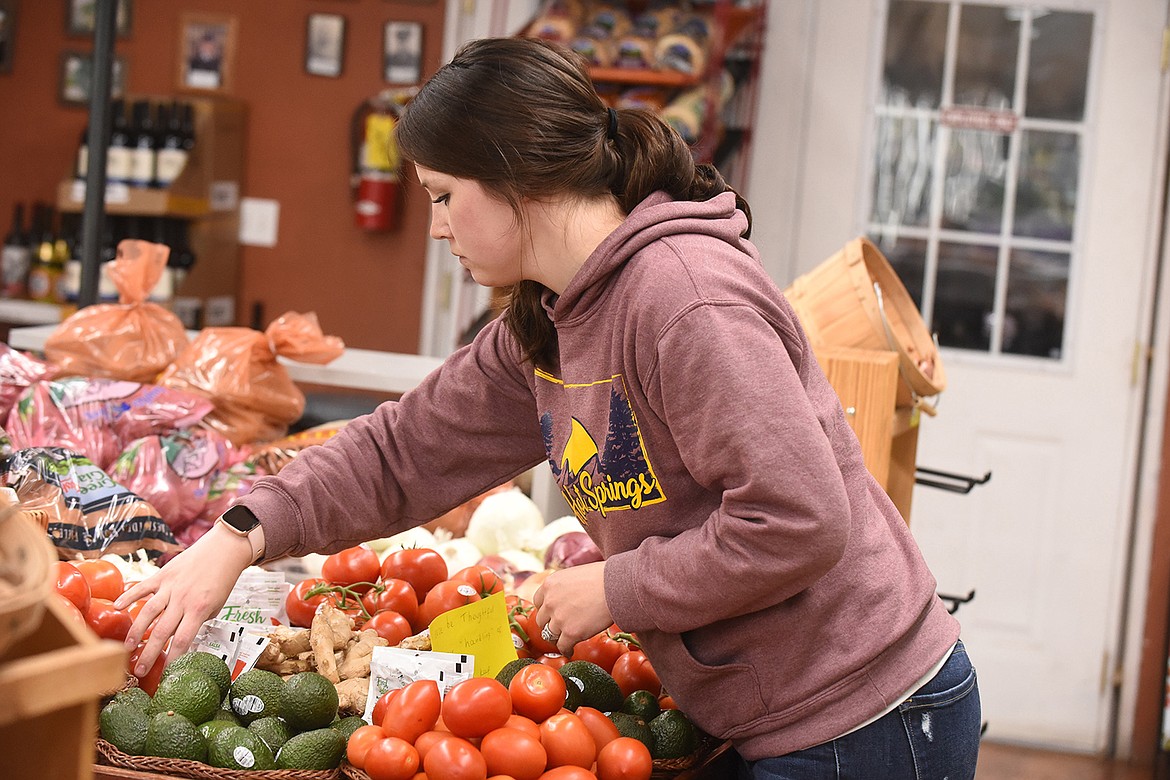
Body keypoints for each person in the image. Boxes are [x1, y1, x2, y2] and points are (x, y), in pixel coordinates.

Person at [119, 36, 981, 779]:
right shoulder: (550, 313)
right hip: (764, 711)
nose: (437, 229)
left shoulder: (685, 299)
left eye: (445, 197)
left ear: (515, 179)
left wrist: (617, 584)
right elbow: (401, 451)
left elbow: (797, 518)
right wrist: (240, 535)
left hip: (866, 716)